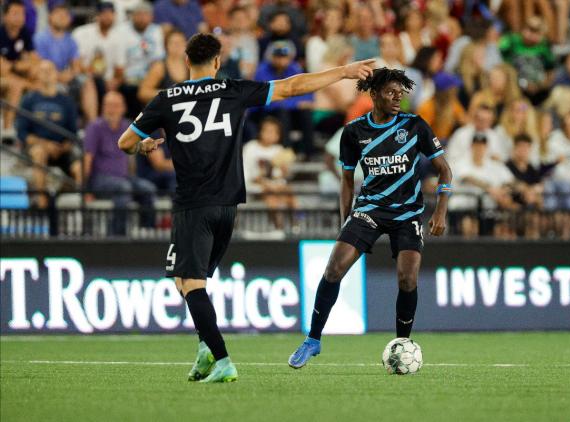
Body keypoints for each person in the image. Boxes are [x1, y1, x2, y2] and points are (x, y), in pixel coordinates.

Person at [117, 32, 375, 383]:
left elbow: (125, 142)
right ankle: (205, 348)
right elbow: (292, 87)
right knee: (188, 281)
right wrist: (343, 71)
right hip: (229, 205)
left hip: (193, 205)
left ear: (185, 62)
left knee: (190, 283)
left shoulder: (166, 98)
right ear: (218, 62)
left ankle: (221, 359)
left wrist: (145, 145)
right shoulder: (232, 90)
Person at [288, 68, 452, 369]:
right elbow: (347, 180)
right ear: (374, 94)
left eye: (400, 94)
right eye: (391, 93)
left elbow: (444, 169)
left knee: (407, 277)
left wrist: (440, 211)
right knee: (334, 268)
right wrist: (345, 220)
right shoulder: (354, 132)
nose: (397, 98)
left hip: (407, 212)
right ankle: (313, 340)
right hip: (370, 210)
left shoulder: (414, 125)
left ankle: (403, 343)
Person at [84, 92, 156, 235]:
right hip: (100, 179)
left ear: (123, 108)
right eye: (108, 105)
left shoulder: (127, 126)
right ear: (102, 107)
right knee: (123, 188)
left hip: (124, 177)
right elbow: (87, 159)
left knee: (148, 188)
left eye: (116, 106)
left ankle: (146, 232)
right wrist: (86, 190)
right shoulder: (95, 127)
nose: (112, 109)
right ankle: (117, 236)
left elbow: (132, 159)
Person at [17, 60, 79, 209]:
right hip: (35, 148)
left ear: (56, 74)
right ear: (37, 74)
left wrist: (63, 147)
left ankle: (74, 205)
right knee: (39, 153)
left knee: (79, 167)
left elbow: (72, 133)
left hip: (61, 149)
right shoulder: (28, 100)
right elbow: (23, 133)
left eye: (49, 70)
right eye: (42, 70)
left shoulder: (67, 101)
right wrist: (45, 145)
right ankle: (43, 206)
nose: (46, 74)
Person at [34, 2, 98, 122]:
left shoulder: (70, 40)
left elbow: (76, 65)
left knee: (87, 82)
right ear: (50, 16)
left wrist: (71, 74)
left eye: (65, 14)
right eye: (58, 13)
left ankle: (92, 125)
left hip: (66, 77)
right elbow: (40, 66)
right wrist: (58, 76)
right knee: (56, 85)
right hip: (47, 78)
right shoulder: (40, 38)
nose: (62, 16)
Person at [242, 116, 297, 229]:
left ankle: (295, 224)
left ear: (278, 135)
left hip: (273, 186)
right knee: (271, 199)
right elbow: (248, 174)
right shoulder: (250, 147)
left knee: (289, 194)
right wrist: (265, 183)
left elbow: (279, 177)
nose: (270, 134)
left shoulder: (279, 150)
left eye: (273, 132)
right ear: (260, 132)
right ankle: (278, 227)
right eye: (267, 131)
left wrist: (283, 171)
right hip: (254, 186)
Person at [119, 2, 164, 118]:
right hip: (129, 77)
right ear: (132, 16)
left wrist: (150, 78)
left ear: (151, 17)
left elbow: (158, 59)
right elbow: (119, 62)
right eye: (138, 14)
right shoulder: (122, 31)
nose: (142, 18)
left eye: (145, 15)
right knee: (131, 89)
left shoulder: (156, 31)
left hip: (150, 76)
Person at [499, 16, 556, 105]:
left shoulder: (544, 46)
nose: (532, 34)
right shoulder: (511, 41)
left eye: (537, 31)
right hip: (514, 87)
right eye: (530, 29)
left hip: (538, 90)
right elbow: (501, 64)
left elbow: (550, 72)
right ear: (524, 29)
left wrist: (539, 86)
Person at [0, 0, 37, 139]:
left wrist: (16, 66)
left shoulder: (24, 32)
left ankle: (33, 132)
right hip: (5, 79)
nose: (20, 17)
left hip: (15, 77)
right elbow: (2, 69)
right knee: (16, 85)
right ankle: (7, 129)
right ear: (5, 16)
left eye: (22, 13)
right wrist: (20, 66)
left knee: (39, 80)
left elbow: (35, 62)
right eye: (15, 13)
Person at [138, 30, 188, 105]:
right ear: (166, 45)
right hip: (166, 109)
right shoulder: (160, 66)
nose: (178, 46)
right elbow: (143, 92)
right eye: (174, 43)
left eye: (181, 42)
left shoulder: (192, 65)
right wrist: (168, 93)